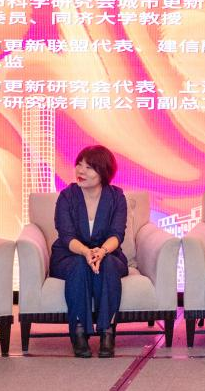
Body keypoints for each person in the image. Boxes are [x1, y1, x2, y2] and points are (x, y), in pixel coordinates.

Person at [50, 145, 131, 358]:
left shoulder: (116, 197)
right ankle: (79, 331)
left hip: (107, 254)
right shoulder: (67, 196)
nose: (81, 171)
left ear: (103, 171)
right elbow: (66, 235)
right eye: (79, 165)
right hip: (70, 255)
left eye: (88, 167)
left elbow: (117, 234)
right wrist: (86, 252)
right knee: (79, 265)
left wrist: (101, 252)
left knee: (109, 264)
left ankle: (107, 331)